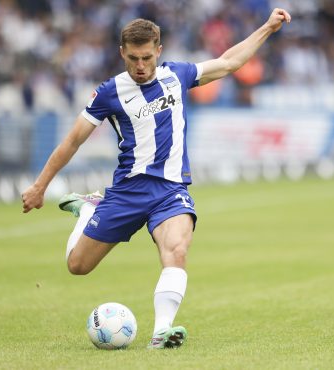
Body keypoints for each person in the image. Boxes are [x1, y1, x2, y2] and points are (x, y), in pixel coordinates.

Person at [21, 8, 291, 349]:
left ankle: (162, 331)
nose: (140, 66)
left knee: (176, 249)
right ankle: (91, 209)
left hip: (170, 191)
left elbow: (228, 63)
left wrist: (267, 27)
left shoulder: (177, 75)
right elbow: (72, 141)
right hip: (127, 192)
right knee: (78, 265)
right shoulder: (109, 92)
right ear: (122, 52)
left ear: (158, 51)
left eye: (147, 57)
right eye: (133, 58)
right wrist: (40, 185)